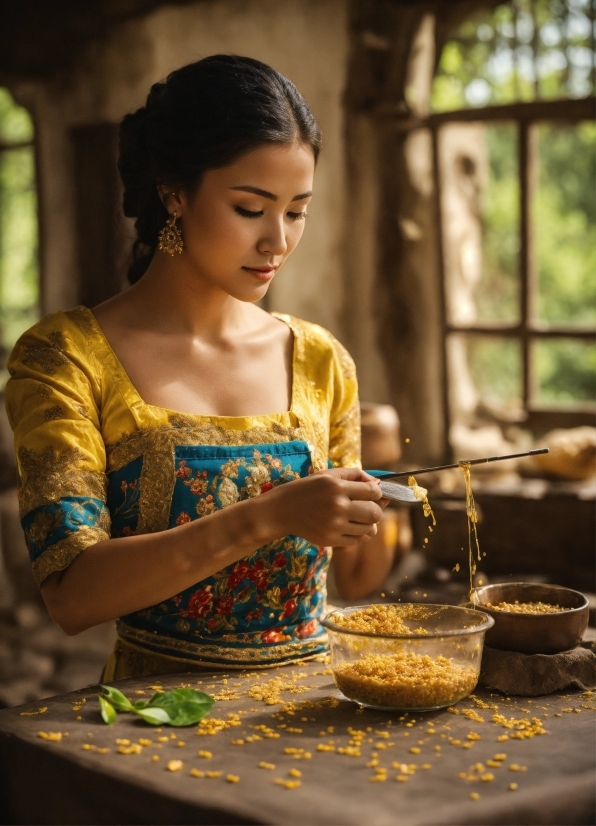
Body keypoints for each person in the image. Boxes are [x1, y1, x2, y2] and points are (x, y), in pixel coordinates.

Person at [5, 55, 394, 679]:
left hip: (312, 713)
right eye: (251, 209)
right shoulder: (66, 357)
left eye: (296, 211)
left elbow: (355, 577)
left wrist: (390, 498)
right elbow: (73, 596)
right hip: (156, 717)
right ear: (174, 194)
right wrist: (266, 516)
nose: (278, 241)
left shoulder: (320, 358)